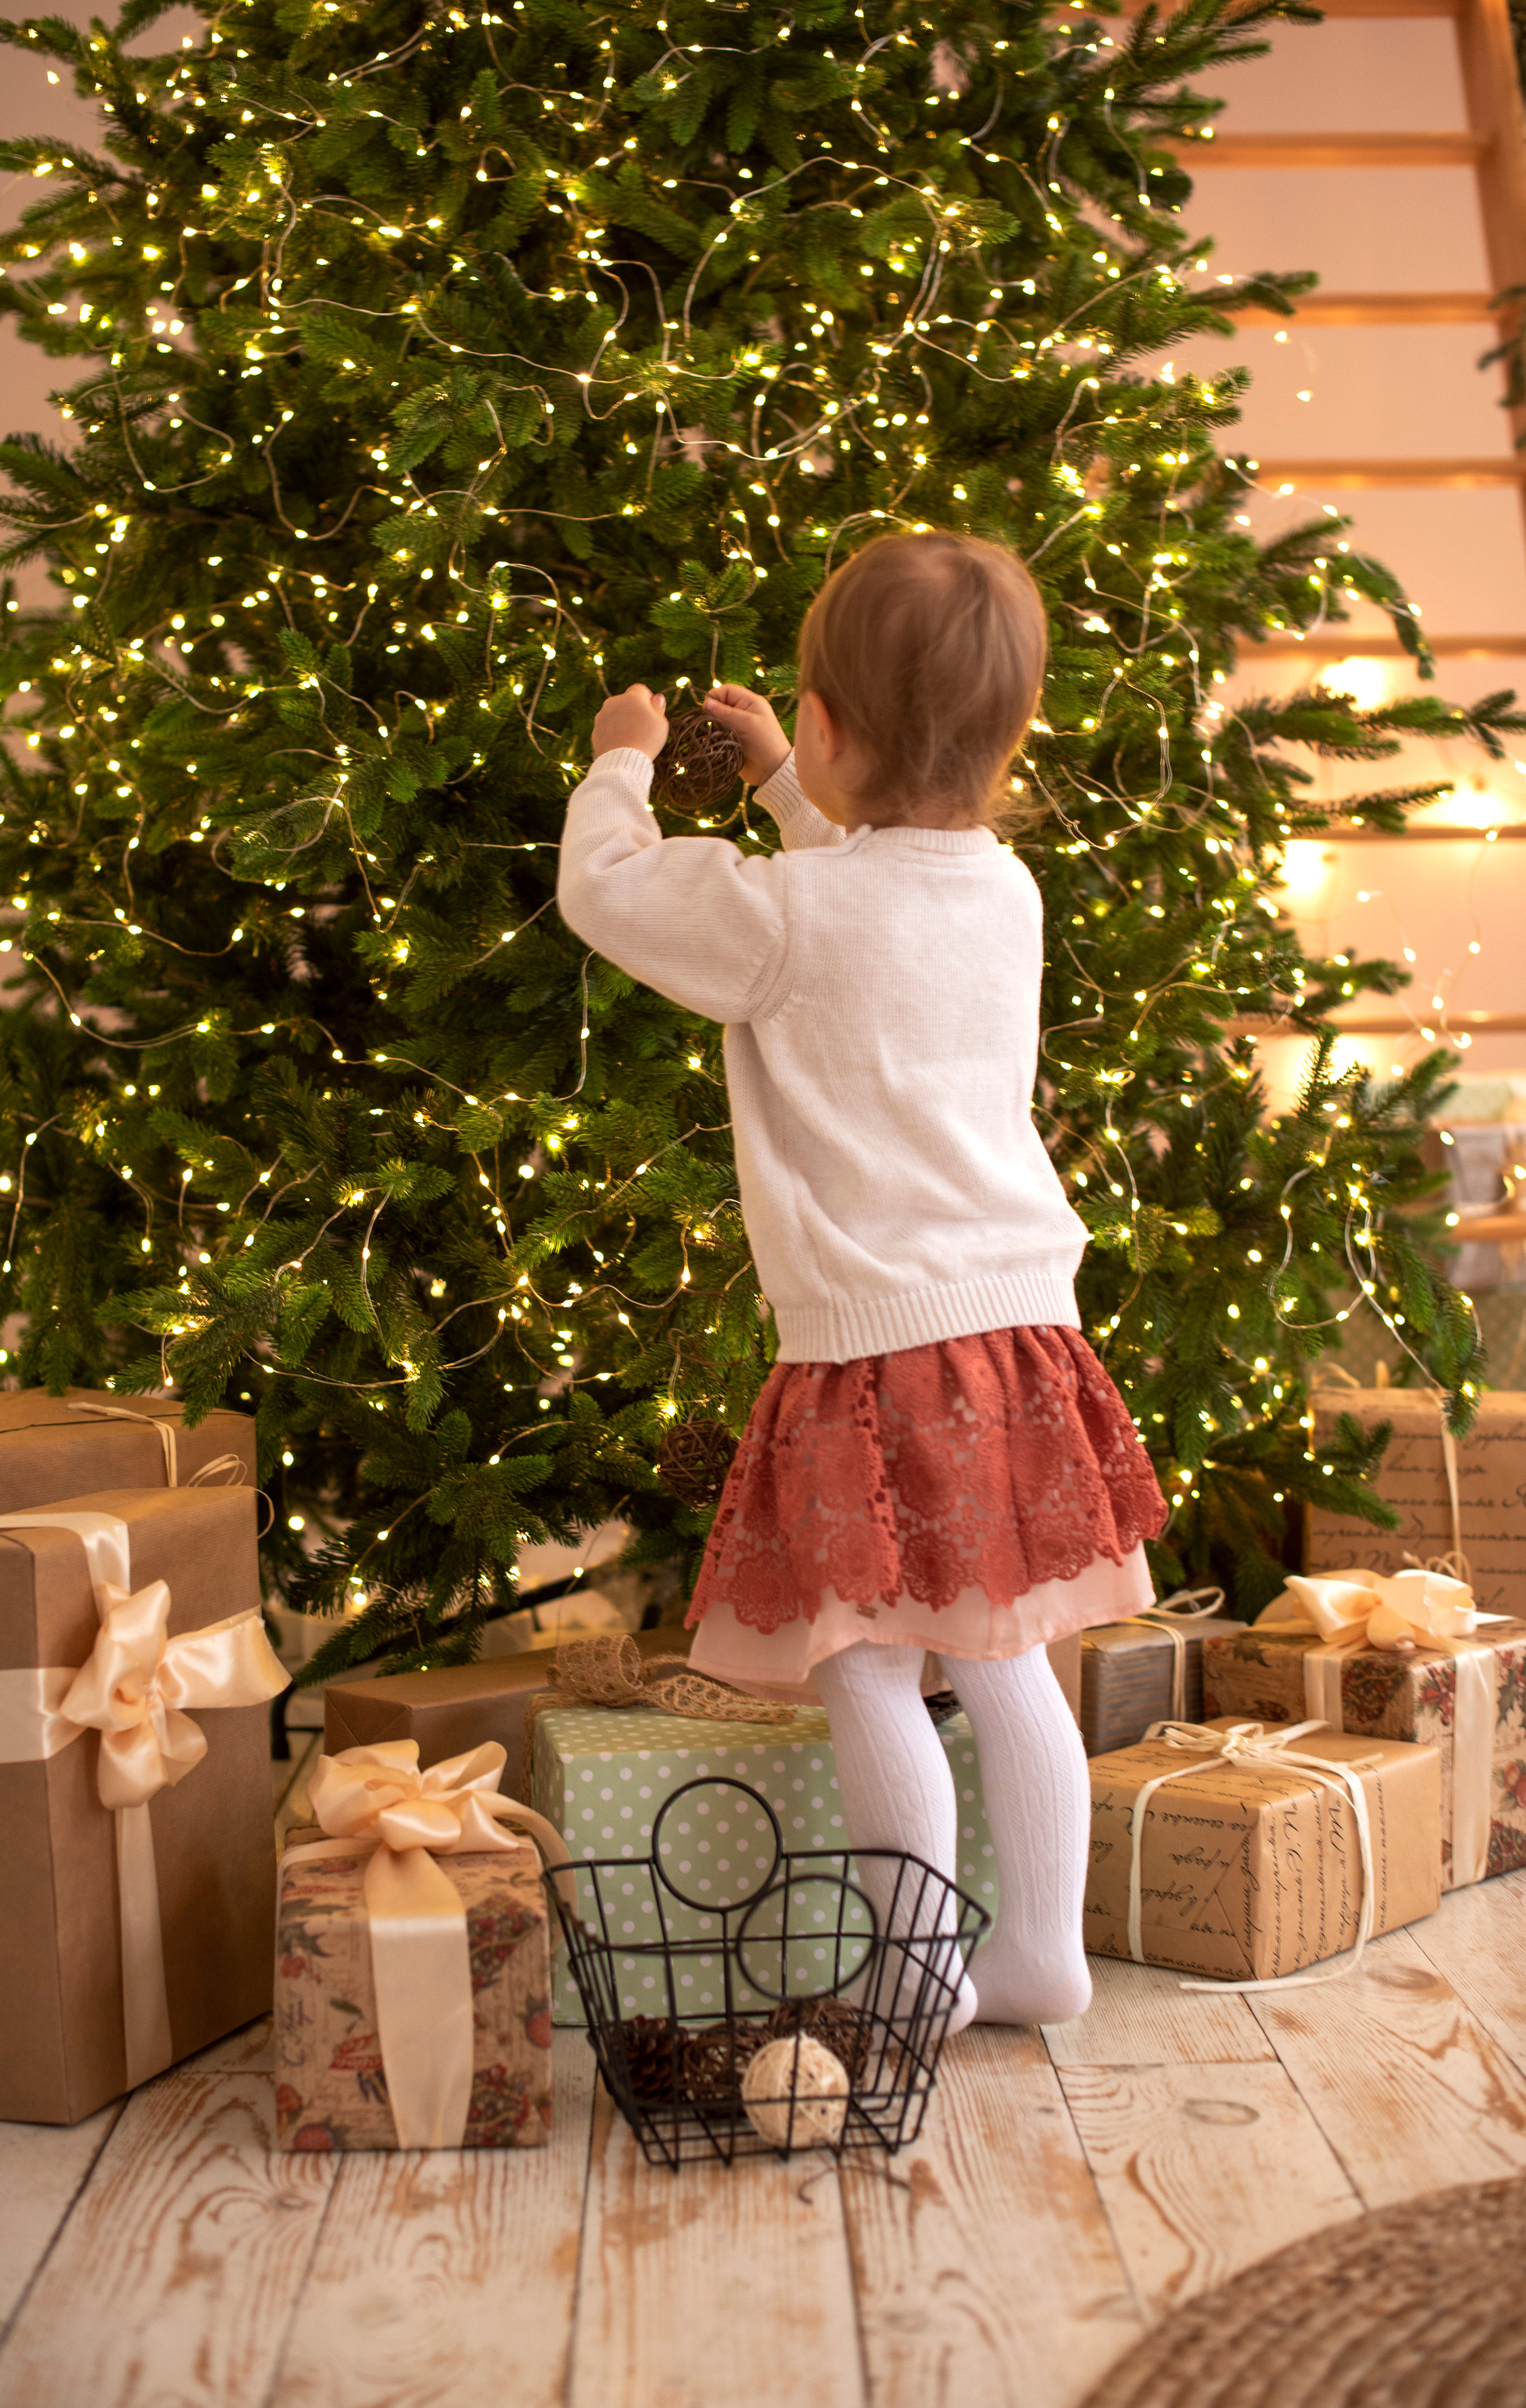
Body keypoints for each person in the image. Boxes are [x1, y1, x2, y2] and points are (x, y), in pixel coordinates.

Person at [556, 531, 1165, 2032]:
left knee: (870, 1671)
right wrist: (785, 783)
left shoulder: (782, 915)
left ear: (826, 722)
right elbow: (876, 905)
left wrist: (621, 760)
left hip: (874, 1352)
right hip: (1020, 1334)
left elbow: (610, 894)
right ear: (1010, 735)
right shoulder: (1004, 891)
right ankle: (1042, 1954)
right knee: (1007, 1654)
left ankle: (917, 1971)